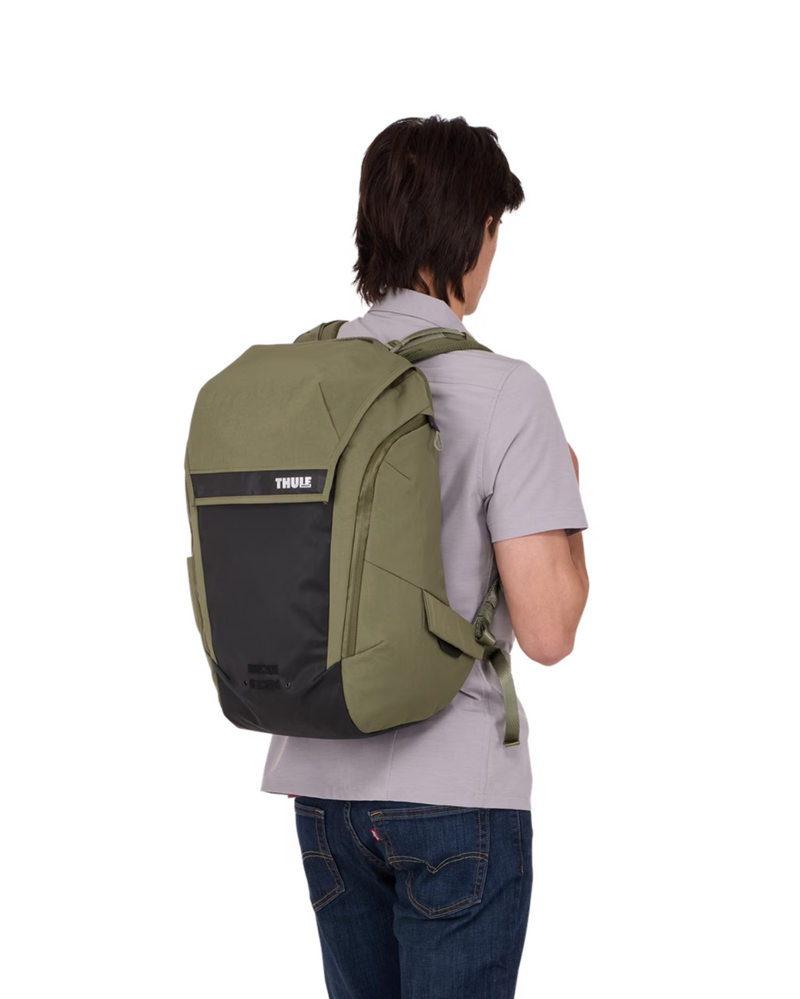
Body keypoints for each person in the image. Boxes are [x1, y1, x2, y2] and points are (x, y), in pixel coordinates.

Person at [261, 115, 590, 999]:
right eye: (494, 229)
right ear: (473, 232)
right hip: (456, 797)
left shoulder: (303, 375)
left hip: (322, 785)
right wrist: (569, 507)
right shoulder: (507, 391)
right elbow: (550, 632)